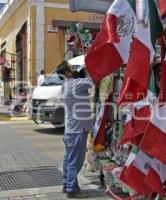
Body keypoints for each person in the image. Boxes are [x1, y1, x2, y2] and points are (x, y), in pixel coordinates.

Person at [58, 61, 93, 199]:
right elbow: (94, 80)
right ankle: (72, 189)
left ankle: (67, 184)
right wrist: (90, 70)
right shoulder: (75, 84)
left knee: (68, 159)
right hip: (77, 130)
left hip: (71, 130)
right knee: (75, 161)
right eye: (72, 68)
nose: (75, 69)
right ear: (67, 73)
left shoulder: (67, 85)